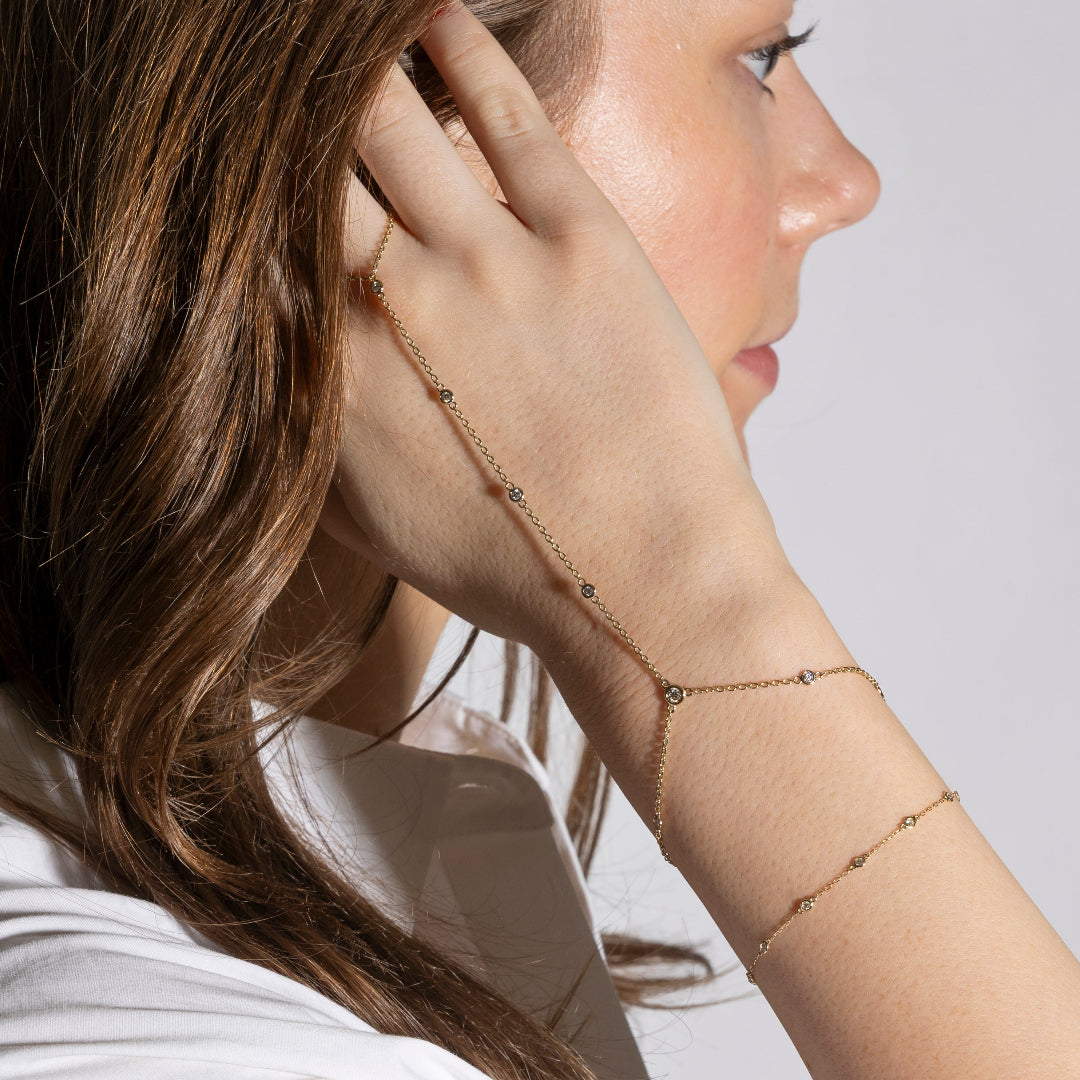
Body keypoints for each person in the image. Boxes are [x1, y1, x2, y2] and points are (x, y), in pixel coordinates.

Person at [1, 2, 1078, 1080]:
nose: (845, 182)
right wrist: (697, 608)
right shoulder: (161, 1041)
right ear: (373, 118)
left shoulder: (409, 806)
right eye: (761, 57)